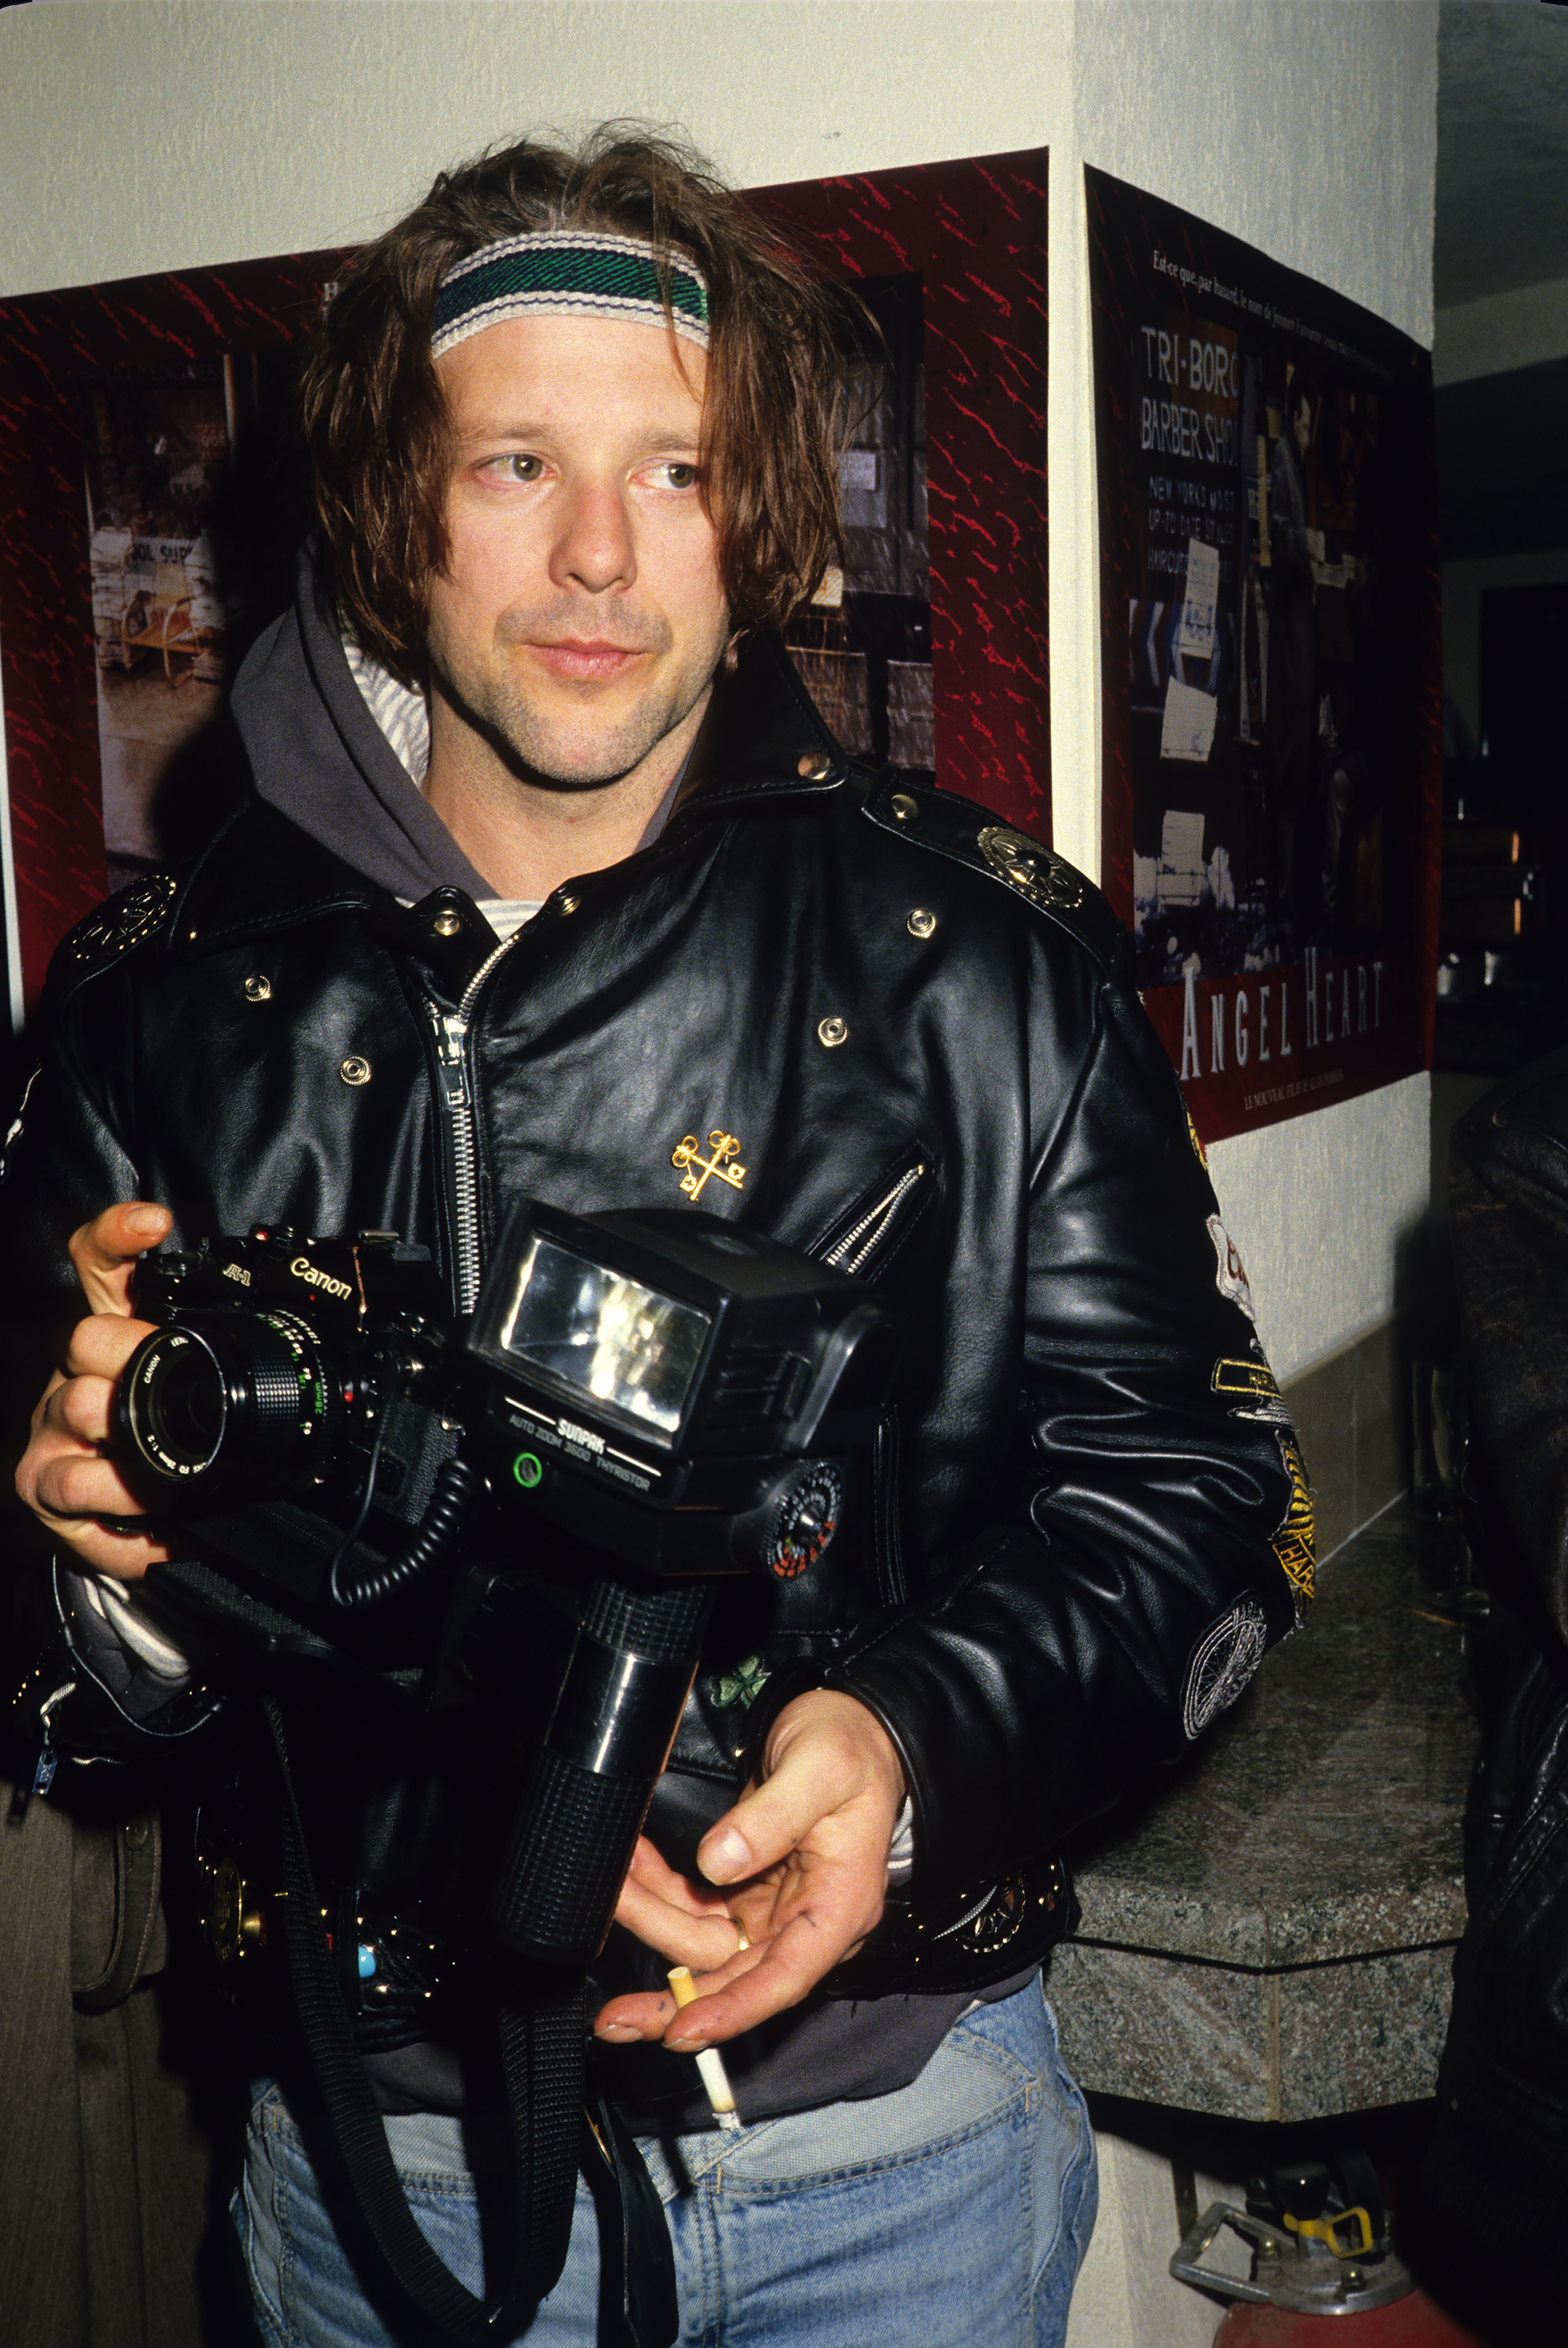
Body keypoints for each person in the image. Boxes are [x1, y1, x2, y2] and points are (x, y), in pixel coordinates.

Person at [4, 127, 1311, 2348]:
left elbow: (1201, 1499)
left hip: (899, 2142)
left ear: (762, 528)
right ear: (388, 517)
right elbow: (61, 1668)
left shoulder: (981, 957)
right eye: (513, 462)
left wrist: (902, 1746)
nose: (599, 553)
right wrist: (108, 1577)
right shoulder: (155, 1002)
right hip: (370, 2171)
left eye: (679, 471)